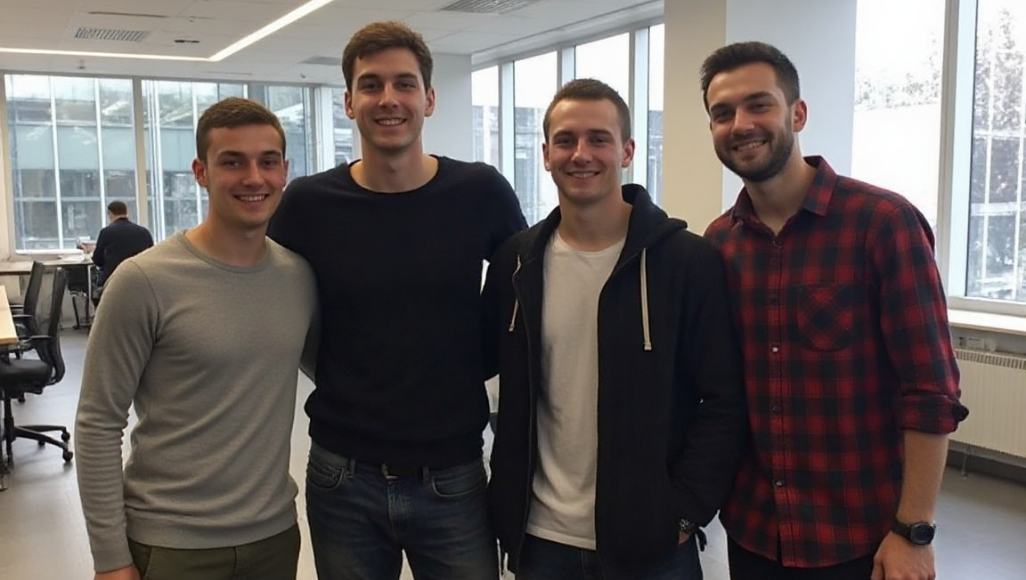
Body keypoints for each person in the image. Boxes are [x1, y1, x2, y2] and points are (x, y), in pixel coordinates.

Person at [700, 41, 969, 580]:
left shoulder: (882, 223)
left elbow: (932, 392)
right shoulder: (719, 244)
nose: (740, 124)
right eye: (722, 113)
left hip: (863, 539)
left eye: (759, 105)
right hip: (755, 532)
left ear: (797, 113)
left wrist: (913, 531)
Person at [267, 21, 525, 580]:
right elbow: (271, 307)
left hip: (453, 473)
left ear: (429, 99)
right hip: (342, 477)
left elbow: (526, 296)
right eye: (372, 84)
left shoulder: (479, 192)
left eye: (405, 84)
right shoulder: (309, 204)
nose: (389, 99)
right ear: (348, 102)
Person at [483, 78, 749, 580]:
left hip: (652, 545)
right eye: (565, 140)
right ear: (545, 153)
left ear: (627, 150)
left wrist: (685, 509)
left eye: (598, 138)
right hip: (539, 538)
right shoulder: (516, 263)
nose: (581, 154)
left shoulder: (686, 262)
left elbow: (724, 401)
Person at [76, 97, 319, 580]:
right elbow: (98, 423)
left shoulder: (299, 277)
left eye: (267, 162)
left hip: (273, 537)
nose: (254, 178)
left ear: (284, 171)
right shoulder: (143, 280)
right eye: (232, 162)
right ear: (201, 171)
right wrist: (110, 558)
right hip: (171, 545)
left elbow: (338, 372)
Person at [91, 200, 154, 287]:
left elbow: (97, 260)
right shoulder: (144, 232)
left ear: (110, 214)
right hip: (140, 279)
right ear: (126, 212)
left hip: (113, 280)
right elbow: (151, 256)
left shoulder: (106, 232)